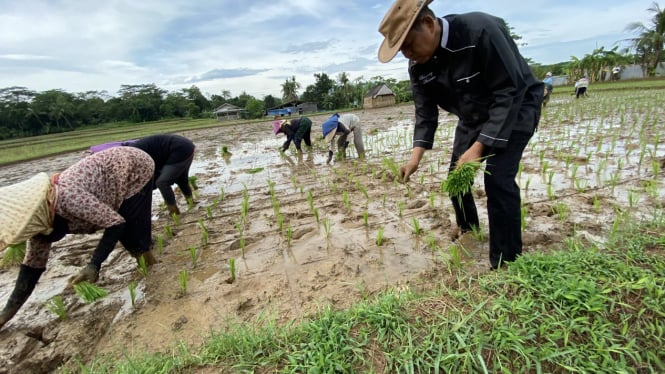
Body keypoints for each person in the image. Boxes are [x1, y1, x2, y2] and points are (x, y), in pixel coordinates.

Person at [377, 0, 543, 269]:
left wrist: (478, 149)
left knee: (498, 179)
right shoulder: (418, 65)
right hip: (472, 115)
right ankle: (469, 229)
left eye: (408, 45)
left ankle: (506, 263)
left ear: (429, 25)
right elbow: (426, 113)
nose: (407, 54)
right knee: (456, 177)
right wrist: (414, 159)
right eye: (401, 51)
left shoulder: (481, 31)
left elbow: (508, 92)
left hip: (516, 106)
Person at [0, 146, 156, 329]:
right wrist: (5, 315)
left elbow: (116, 223)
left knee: (132, 232)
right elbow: (31, 269)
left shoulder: (67, 198)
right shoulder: (39, 229)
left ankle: (152, 271)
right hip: (106, 184)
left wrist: (93, 265)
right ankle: (149, 268)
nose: (35, 238)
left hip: (132, 166)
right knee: (127, 232)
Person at [128, 134, 196, 216]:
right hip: (186, 146)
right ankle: (191, 202)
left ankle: (174, 211)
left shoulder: (131, 157)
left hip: (178, 148)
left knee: (162, 183)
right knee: (181, 180)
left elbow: (147, 177)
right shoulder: (132, 154)